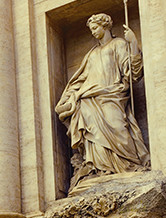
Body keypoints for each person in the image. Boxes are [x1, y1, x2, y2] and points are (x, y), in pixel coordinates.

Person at [55, 13, 149, 190]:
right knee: (93, 134)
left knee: (118, 127)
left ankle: (127, 165)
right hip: (89, 99)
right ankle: (101, 169)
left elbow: (133, 73)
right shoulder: (91, 54)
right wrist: (69, 98)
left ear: (105, 26)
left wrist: (133, 43)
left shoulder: (119, 44)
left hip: (112, 95)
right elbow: (81, 80)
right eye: (91, 29)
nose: (93, 32)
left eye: (95, 28)